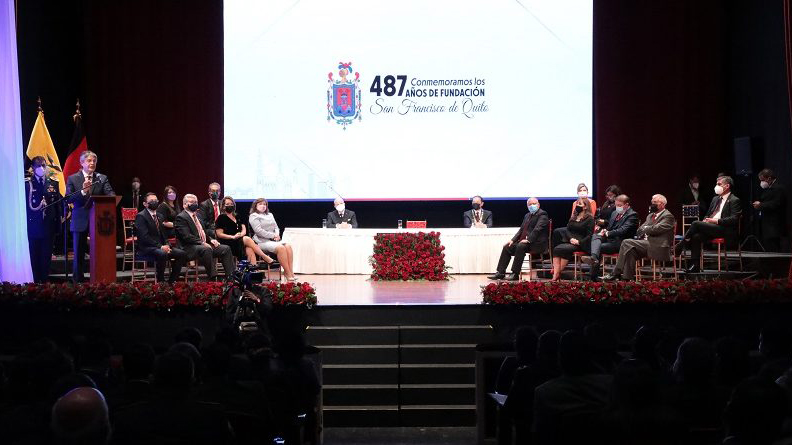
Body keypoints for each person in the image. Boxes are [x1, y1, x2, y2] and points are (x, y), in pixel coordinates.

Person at [66, 150, 115, 283]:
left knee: (100, 251)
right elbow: (68, 199)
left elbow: (110, 195)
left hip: (99, 220)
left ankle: (100, 279)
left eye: (94, 161)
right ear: (82, 163)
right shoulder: (73, 178)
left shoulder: (101, 178)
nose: (92, 163)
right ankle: (78, 281)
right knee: (79, 253)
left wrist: (112, 198)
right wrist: (82, 191)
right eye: (89, 160)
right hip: (80, 219)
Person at [603, 194, 676, 281]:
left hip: (658, 247)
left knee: (626, 242)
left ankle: (615, 273)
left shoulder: (668, 216)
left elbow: (656, 229)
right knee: (630, 251)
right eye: (652, 202)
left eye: (655, 202)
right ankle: (627, 280)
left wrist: (647, 228)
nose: (652, 204)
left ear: (663, 204)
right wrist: (647, 229)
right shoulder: (650, 216)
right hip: (646, 244)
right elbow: (639, 230)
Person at [680, 175, 742, 273]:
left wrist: (716, 221)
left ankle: (681, 244)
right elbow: (708, 214)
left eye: (719, 184)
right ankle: (695, 266)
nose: (716, 186)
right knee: (696, 236)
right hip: (711, 229)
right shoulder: (715, 199)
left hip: (724, 229)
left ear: (727, 186)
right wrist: (705, 221)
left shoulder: (734, 200)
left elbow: (734, 219)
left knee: (695, 223)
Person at [174, 193, 235, 281]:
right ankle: (213, 277)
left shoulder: (198, 216)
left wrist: (211, 240)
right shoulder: (181, 217)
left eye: (196, 202)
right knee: (206, 249)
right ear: (184, 205)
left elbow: (203, 232)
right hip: (188, 248)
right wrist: (202, 243)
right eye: (191, 202)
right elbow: (186, 236)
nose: (194, 204)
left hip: (203, 245)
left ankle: (231, 277)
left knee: (225, 248)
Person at [487, 197, 549, 281]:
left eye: (534, 204)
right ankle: (500, 273)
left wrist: (529, 239)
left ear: (538, 205)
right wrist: (512, 240)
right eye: (530, 204)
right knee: (507, 247)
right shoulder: (527, 215)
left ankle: (515, 273)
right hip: (526, 243)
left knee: (521, 245)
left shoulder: (542, 214)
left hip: (537, 243)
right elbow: (521, 230)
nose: (532, 206)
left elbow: (538, 229)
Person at [583, 194, 639, 281]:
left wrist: (608, 233)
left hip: (622, 242)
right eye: (616, 205)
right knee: (595, 236)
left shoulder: (632, 215)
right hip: (610, 239)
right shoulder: (614, 213)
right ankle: (593, 257)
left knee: (599, 247)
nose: (617, 207)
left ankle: (592, 276)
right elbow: (609, 227)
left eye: (619, 206)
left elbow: (623, 230)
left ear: (627, 205)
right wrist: (603, 231)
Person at [134, 192, 187, 283]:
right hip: (147, 247)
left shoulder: (160, 216)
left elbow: (164, 234)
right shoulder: (141, 216)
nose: (154, 202)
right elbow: (144, 237)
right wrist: (161, 247)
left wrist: (167, 245)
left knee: (181, 253)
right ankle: (161, 281)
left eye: (156, 200)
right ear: (145, 204)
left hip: (161, 246)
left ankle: (171, 281)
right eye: (151, 201)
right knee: (162, 254)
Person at [26, 156, 62, 283]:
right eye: (38, 165)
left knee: (46, 257)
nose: (42, 168)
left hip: (48, 227)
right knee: (34, 256)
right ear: (33, 168)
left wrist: (58, 226)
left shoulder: (53, 183)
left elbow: (57, 206)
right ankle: (35, 282)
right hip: (33, 227)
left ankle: (44, 282)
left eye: (44, 165)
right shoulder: (27, 184)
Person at [214, 195, 277, 267]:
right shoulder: (221, 218)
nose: (230, 206)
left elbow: (244, 229)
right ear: (223, 206)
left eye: (231, 204)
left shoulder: (237, 216)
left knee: (249, 248)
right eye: (227, 204)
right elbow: (219, 234)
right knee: (246, 239)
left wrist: (240, 235)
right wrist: (232, 237)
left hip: (240, 240)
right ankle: (265, 257)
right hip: (228, 242)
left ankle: (253, 271)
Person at [249, 198, 296, 281]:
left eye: (265, 204)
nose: (263, 206)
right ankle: (287, 272)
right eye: (260, 204)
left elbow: (276, 227)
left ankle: (291, 272)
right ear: (255, 206)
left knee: (288, 246)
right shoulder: (253, 216)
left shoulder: (270, 215)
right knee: (281, 248)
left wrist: (277, 235)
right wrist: (272, 235)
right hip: (261, 241)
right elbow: (259, 231)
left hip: (273, 239)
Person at [551, 198, 594, 281]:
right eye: (577, 203)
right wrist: (571, 238)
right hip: (571, 241)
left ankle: (557, 273)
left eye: (580, 204)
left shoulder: (590, 219)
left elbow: (589, 235)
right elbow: (567, 229)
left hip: (581, 243)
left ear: (585, 207)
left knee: (560, 249)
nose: (577, 205)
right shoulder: (574, 216)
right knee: (558, 249)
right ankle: (556, 274)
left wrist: (579, 242)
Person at [552, 183, 597, 247]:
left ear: (587, 192)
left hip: (583, 226)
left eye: (584, 190)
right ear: (577, 193)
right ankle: (558, 251)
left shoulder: (591, 202)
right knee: (557, 231)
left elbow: (591, 215)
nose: (582, 192)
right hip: (575, 224)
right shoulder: (575, 203)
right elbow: (573, 216)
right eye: (580, 190)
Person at [752, 168, 787, 252]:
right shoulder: (768, 188)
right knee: (769, 247)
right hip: (767, 222)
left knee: (775, 247)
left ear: (769, 178)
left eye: (762, 180)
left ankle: (777, 263)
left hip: (775, 223)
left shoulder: (779, 188)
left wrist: (761, 205)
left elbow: (776, 203)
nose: (761, 183)